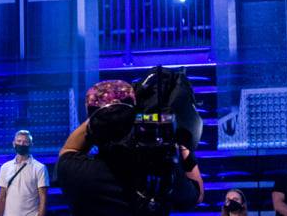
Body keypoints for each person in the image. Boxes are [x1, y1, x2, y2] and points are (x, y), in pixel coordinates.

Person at [56, 79, 204, 216]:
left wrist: (103, 111)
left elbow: (70, 149)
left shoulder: (74, 170)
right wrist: (183, 147)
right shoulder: (160, 170)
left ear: (92, 127)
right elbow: (196, 197)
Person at [0, 129, 49, 216]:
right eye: (19, 141)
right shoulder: (5, 167)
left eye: (25, 142)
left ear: (31, 144)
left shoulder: (40, 168)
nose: (21, 144)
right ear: (14, 143)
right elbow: (1, 197)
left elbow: (43, 198)